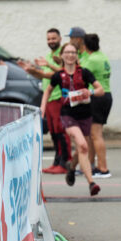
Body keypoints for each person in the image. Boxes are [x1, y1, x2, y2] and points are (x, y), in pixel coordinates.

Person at [41, 42, 104, 196]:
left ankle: (71, 167)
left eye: (73, 52)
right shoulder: (58, 75)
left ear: (77, 56)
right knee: (82, 145)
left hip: (85, 115)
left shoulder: (84, 73)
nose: (70, 55)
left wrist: (89, 92)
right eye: (67, 52)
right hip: (68, 115)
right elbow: (47, 92)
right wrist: (41, 111)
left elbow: (100, 90)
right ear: (62, 55)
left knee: (81, 148)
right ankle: (91, 183)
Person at [20, 28, 72, 175]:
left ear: (60, 39)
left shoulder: (63, 55)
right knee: (54, 132)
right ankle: (57, 161)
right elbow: (45, 75)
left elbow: (60, 73)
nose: (51, 41)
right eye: (48, 39)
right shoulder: (48, 56)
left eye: (54, 38)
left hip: (59, 97)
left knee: (61, 131)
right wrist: (31, 70)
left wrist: (44, 68)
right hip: (49, 97)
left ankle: (65, 162)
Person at [82, 33, 113, 178]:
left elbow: (79, 73)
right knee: (95, 134)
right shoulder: (102, 56)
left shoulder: (92, 60)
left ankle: (103, 168)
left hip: (97, 96)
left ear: (85, 45)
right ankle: (97, 166)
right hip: (107, 95)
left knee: (96, 135)